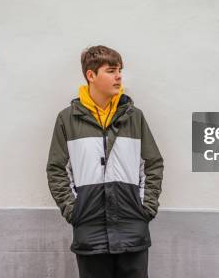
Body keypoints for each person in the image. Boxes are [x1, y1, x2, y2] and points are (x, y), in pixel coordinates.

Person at [46, 45, 164, 278]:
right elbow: (56, 169)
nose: (119, 76)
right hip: (89, 228)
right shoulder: (67, 119)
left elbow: (153, 163)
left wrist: (146, 207)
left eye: (119, 70)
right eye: (111, 70)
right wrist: (74, 210)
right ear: (91, 75)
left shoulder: (134, 116)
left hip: (132, 226)